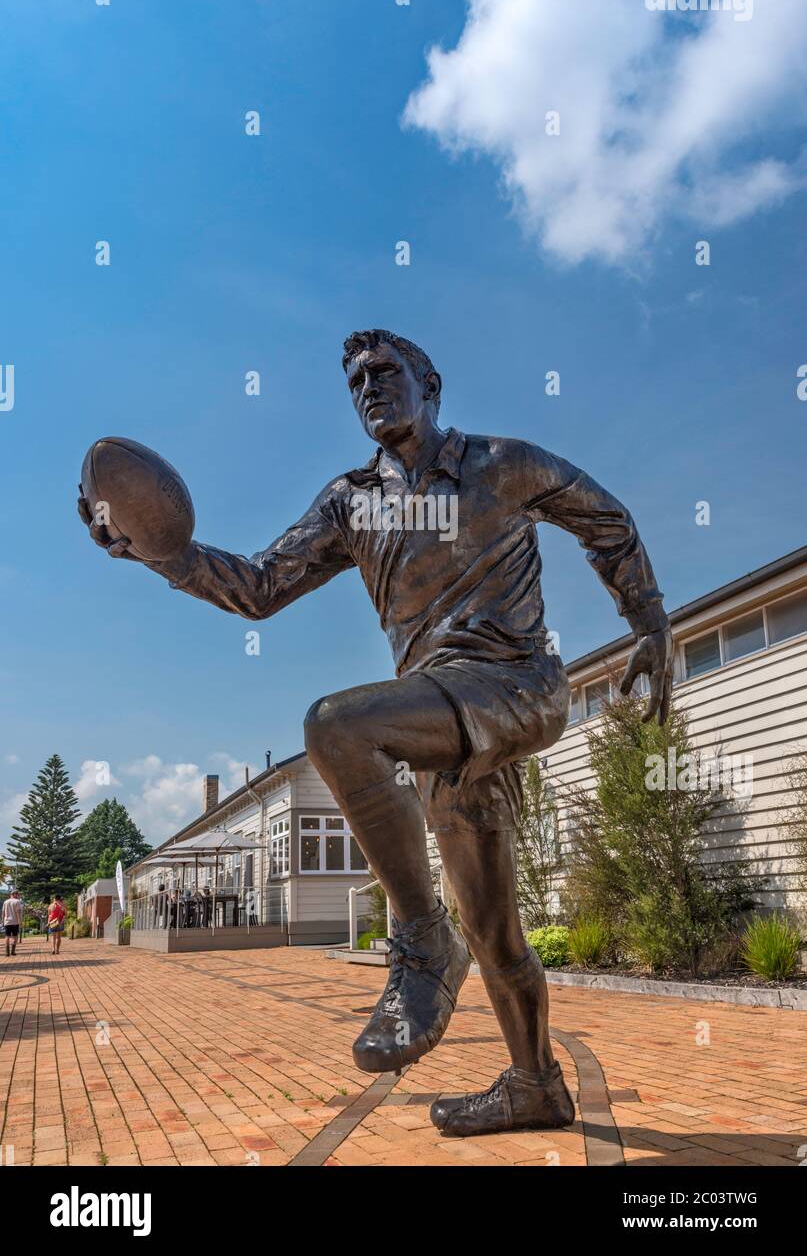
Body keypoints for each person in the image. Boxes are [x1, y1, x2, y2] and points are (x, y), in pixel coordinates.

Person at [79, 328, 672, 1138]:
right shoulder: (348, 501)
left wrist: (647, 621)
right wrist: (162, 554)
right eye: (354, 379)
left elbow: (607, 521)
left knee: (335, 726)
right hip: (438, 726)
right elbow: (259, 587)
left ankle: (418, 944)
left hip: (515, 687)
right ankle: (535, 1083)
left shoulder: (504, 463)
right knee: (495, 931)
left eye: (385, 370)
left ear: (430, 381)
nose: (368, 385)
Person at [3, 888, 23, 956]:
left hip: (7, 922)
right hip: (15, 922)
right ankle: (13, 951)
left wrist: (3, 921)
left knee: (7, 936)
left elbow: (3, 913)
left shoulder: (5, 902)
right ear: (14, 894)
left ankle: (7, 952)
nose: (18, 895)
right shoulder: (17, 901)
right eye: (17, 894)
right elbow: (18, 912)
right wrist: (19, 922)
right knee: (15, 936)